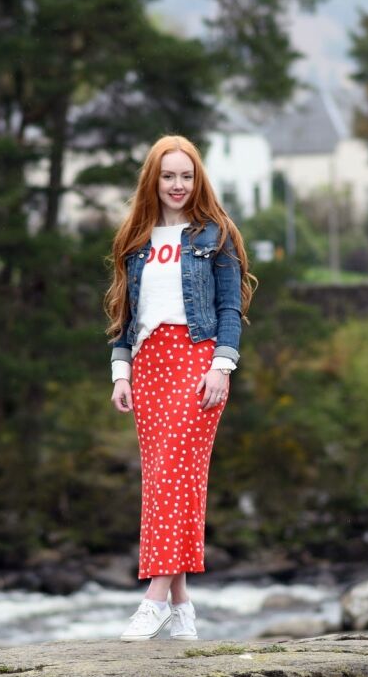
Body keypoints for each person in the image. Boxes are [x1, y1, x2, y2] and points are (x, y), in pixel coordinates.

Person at [103, 134, 256, 641]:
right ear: (154, 179)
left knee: (173, 473)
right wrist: (120, 371)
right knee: (168, 481)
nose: (177, 184)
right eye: (167, 175)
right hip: (148, 365)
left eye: (186, 176)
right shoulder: (135, 238)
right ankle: (182, 604)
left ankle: (153, 601)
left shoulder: (216, 235)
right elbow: (126, 314)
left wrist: (222, 366)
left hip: (198, 361)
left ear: (198, 180)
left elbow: (231, 308)